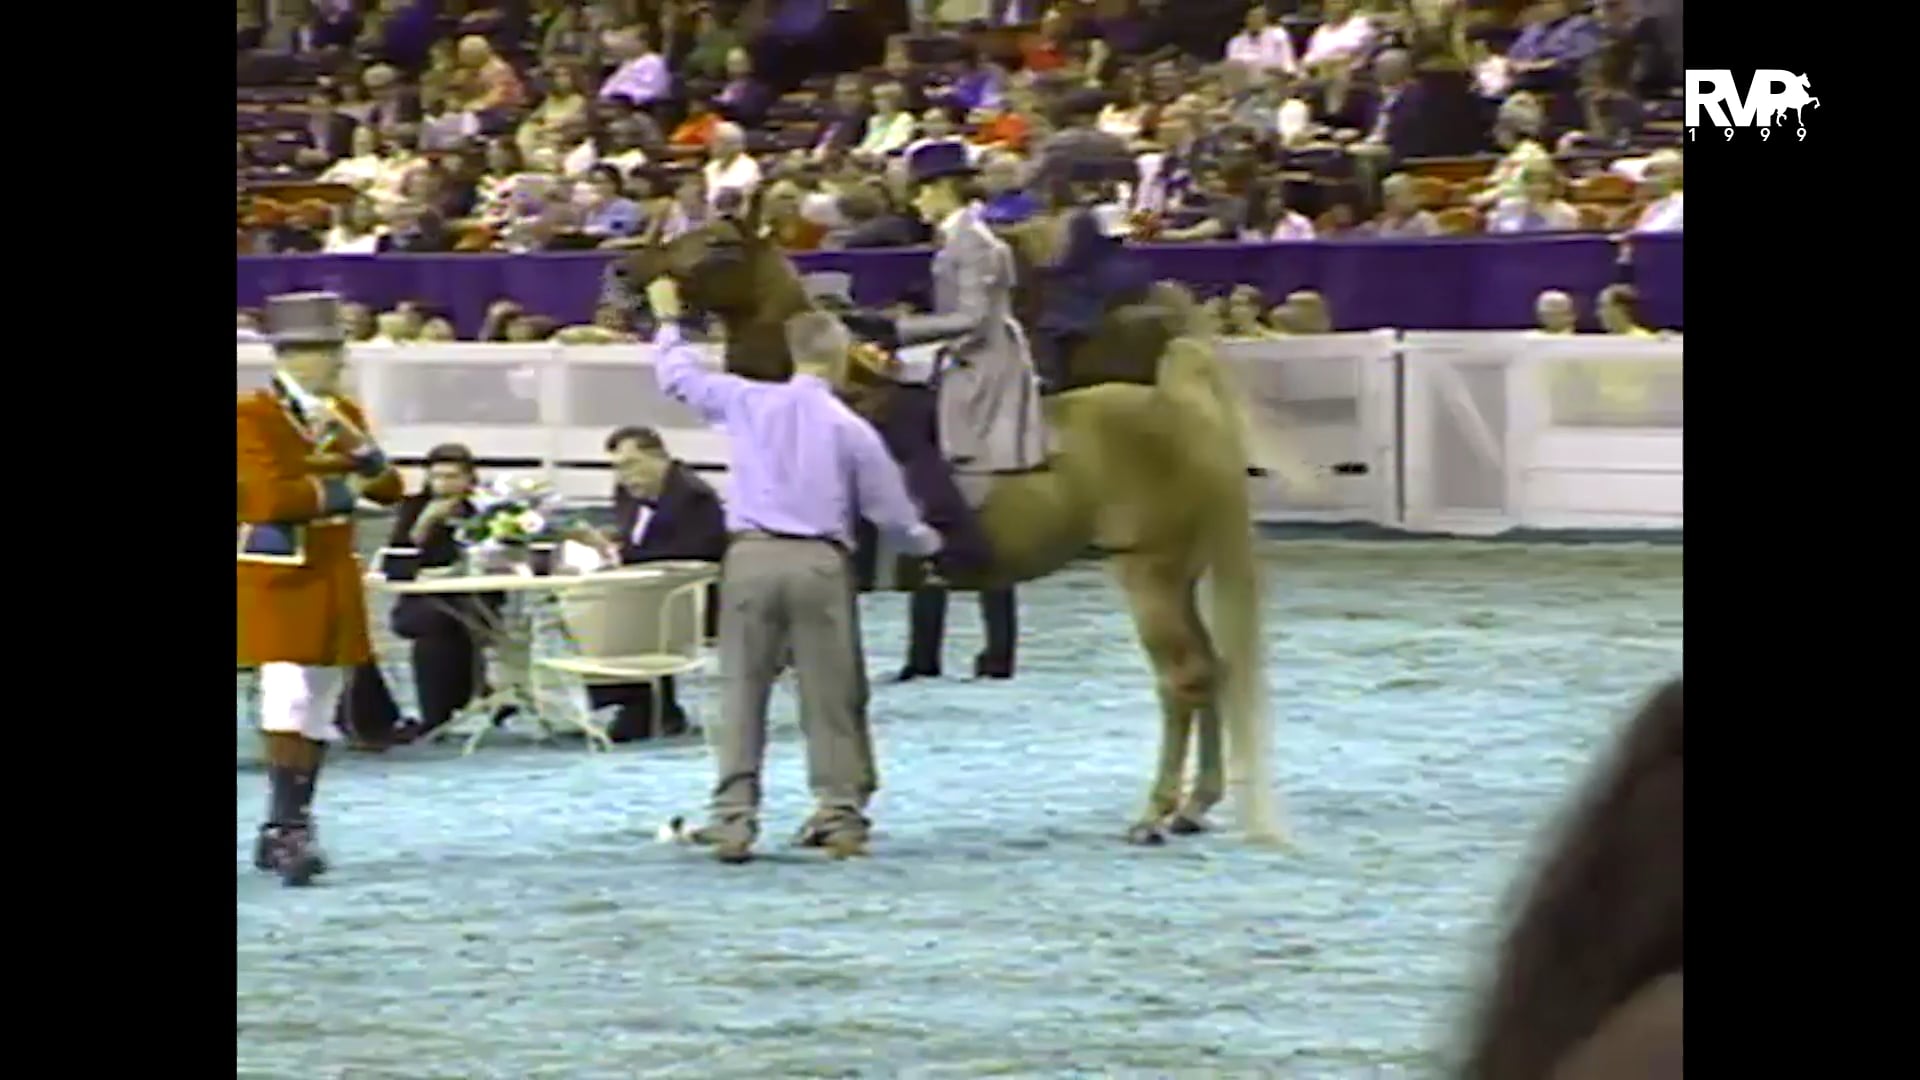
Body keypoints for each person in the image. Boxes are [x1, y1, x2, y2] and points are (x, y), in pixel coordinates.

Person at [645, 276, 942, 864]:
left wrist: (669, 323)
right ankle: (839, 816)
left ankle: (733, 820)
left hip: (751, 556)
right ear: (838, 358)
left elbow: (676, 377)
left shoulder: (748, 401)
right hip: (818, 564)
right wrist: (930, 543)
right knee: (831, 697)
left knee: (742, 692)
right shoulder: (849, 427)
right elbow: (894, 515)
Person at [238, 291, 405, 887]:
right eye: (329, 350)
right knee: (285, 691)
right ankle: (285, 829)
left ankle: (291, 823)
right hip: (278, 575)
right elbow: (267, 499)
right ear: (293, 356)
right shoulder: (251, 414)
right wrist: (344, 486)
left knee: (320, 703)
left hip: (334, 570)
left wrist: (360, 456)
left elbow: (391, 489)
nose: (339, 360)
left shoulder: (346, 414)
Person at [893, 140, 1048, 487]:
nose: (914, 203)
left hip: (983, 359)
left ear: (941, 189)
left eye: (918, 193)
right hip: (967, 349)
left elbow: (971, 318)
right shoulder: (957, 236)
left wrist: (898, 330)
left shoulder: (972, 240)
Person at [335, 443, 502, 748]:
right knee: (434, 623)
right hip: (422, 595)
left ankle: (447, 709)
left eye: (453, 477)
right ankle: (441, 711)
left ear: (469, 479)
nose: (444, 484)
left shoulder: (488, 508)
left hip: (475, 594)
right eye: (437, 477)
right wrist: (426, 523)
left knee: (451, 622)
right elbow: (397, 558)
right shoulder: (414, 507)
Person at [577, 424, 728, 741]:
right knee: (583, 606)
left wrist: (624, 557)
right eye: (617, 467)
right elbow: (634, 540)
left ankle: (640, 703)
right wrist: (606, 544)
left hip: (688, 596)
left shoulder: (693, 496)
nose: (624, 476)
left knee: (607, 613)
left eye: (630, 465)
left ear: (659, 457)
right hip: (639, 590)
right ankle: (639, 701)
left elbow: (698, 554)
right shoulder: (628, 492)